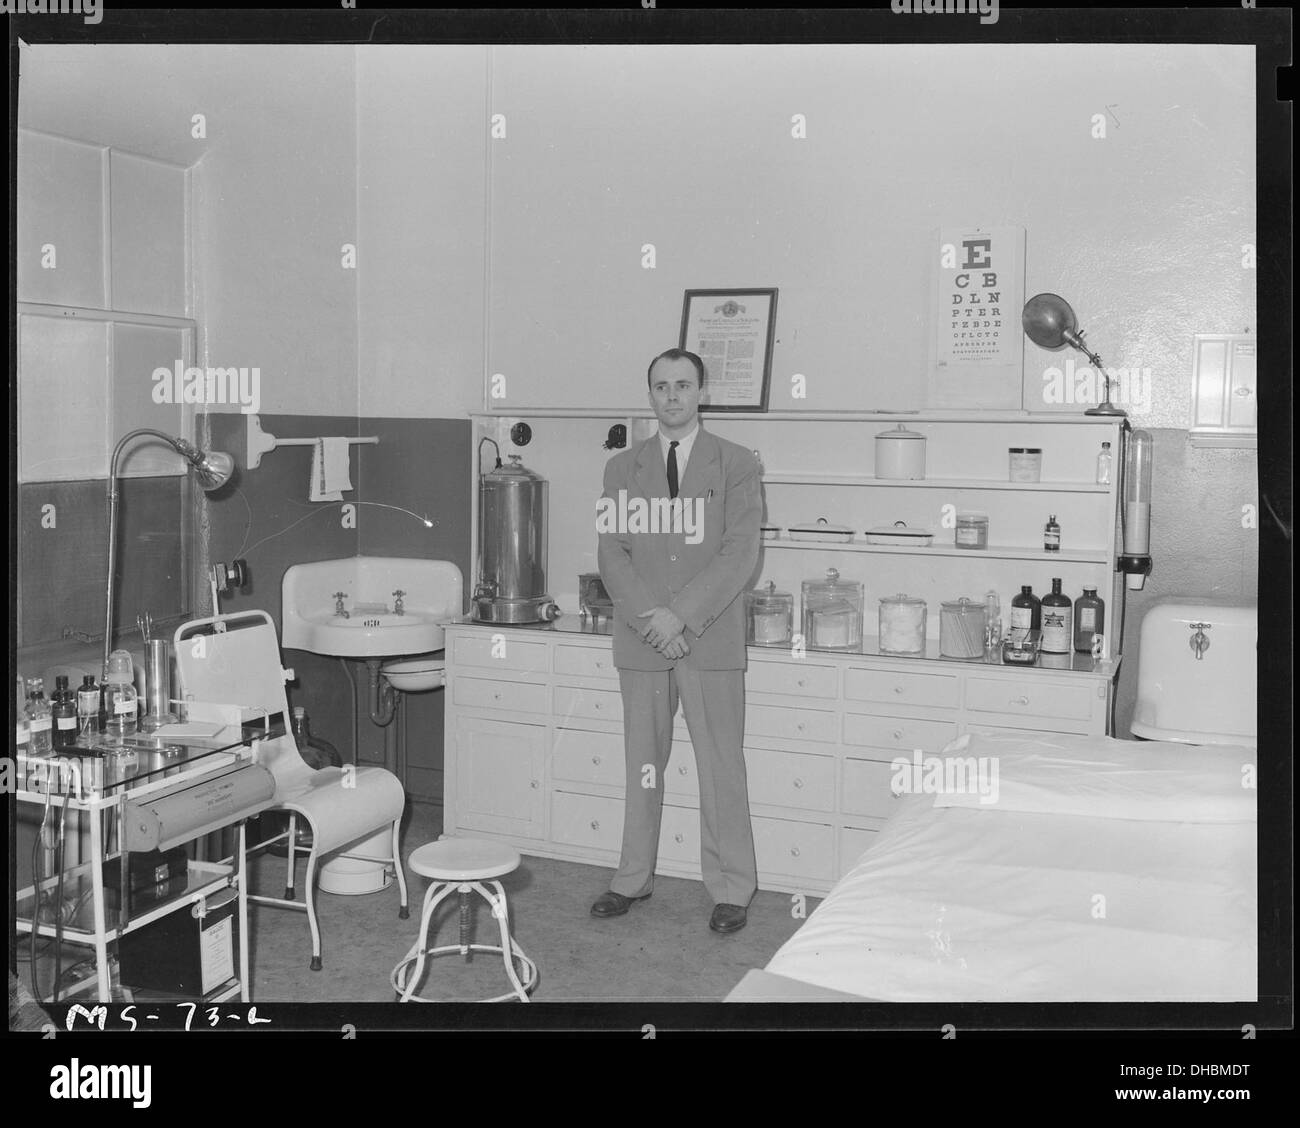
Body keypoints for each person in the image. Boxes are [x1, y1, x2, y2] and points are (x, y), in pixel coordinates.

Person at [593, 347, 762, 933]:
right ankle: (631, 879)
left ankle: (732, 888)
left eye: (683, 386)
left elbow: (740, 552)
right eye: (661, 386)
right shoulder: (622, 469)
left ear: (701, 392)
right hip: (642, 641)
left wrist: (681, 617)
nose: (672, 396)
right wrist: (650, 617)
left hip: (709, 639)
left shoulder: (736, 463)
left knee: (721, 766)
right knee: (643, 763)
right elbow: (611, 552)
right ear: (650, 395)